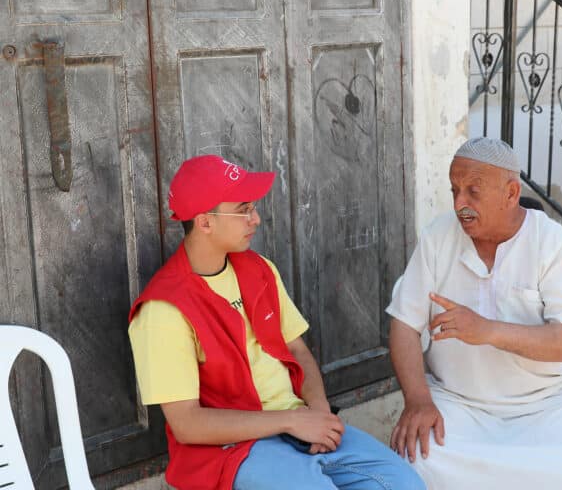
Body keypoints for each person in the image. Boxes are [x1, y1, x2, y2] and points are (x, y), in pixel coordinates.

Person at [128, 155, 424, 490]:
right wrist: (293, 420)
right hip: (232, 449)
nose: (255, 219)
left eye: (253, 207)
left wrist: (319, 411)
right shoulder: (164, 308)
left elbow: (296, 348)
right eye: (243, 210)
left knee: (404, 484)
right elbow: (187, 424)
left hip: (299, 423)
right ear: (205, 222)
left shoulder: (259, 268)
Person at [386, 137, 562, 490]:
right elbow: (404, 325)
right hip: (459, 404)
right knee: (414, 466)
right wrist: (418, 400)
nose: (459, 204)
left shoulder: (551, 242)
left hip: (547, 407)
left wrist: (488, 330)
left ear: (511, 193)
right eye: (455, 190)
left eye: (473, 192)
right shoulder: (438, 237)